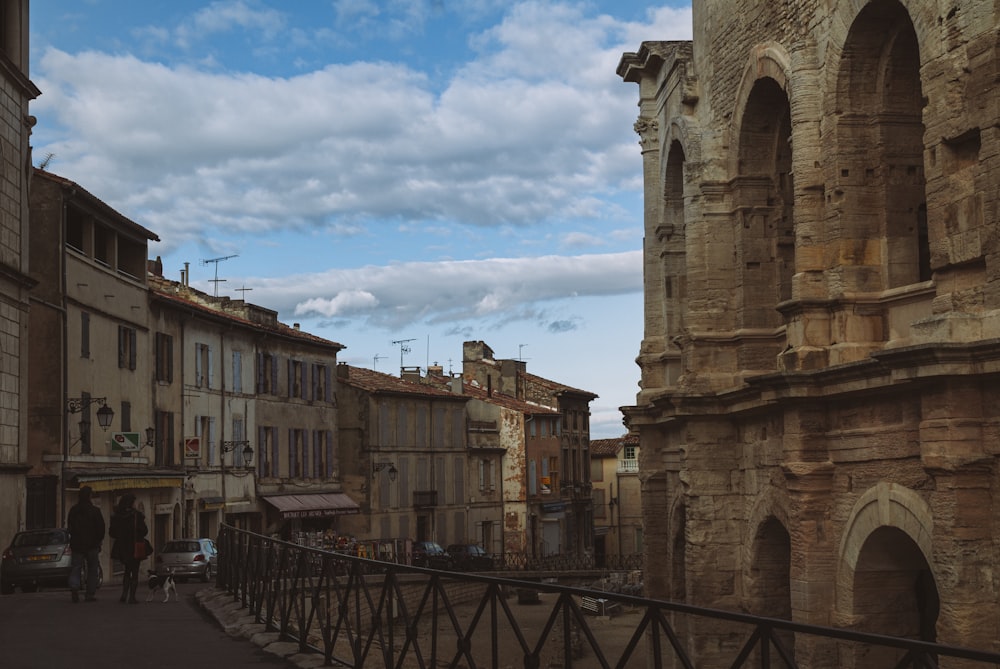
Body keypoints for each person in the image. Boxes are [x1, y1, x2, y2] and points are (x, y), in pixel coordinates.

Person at [66, 485, 106, 603]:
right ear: (89, 496)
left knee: (76, 567)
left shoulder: (73, 510)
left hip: (77, 545)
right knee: (92, 569)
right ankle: (89, 594)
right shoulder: (95, 511)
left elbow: (70, 527)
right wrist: (99, 541)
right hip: (92, 545)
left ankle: (74, 587)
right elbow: (101, 528)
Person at [108, 493, 148, 604]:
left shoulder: (117, 515)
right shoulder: (137, 515)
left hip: (122, 547)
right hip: (135, 546)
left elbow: (112, 532)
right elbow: (144, 531)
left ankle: (124, 594)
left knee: (126, 571)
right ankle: (132, 597)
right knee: (134, 572)